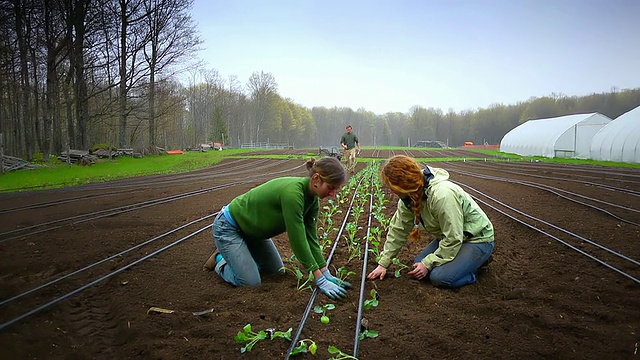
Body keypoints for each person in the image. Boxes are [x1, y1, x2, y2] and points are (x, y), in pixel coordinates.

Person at [204, 157, 352, 299]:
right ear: (316, 179)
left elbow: (311, 238)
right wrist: (318, 278)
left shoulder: (312, 201)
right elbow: (298, 240)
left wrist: (325, 272)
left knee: (277, 272)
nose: (333, 194)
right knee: (250, 282)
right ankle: (220, 259)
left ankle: (240, 255)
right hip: (229, 227)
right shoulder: (293, 195)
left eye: (336, 189)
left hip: (253, 233)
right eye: (331, 188)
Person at [367, 155, 494, 288]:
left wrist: (428, 264)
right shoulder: (409, 198)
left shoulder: (442, 195)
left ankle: (475, 268)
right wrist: (383, 264)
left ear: (403, 184)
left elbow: (453, 237)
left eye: (392, 187)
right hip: (452, 237)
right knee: (418, 265)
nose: (391, 191)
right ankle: (463, 263)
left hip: (476, 239)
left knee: (439, 278)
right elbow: (398, 230)